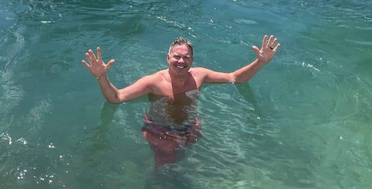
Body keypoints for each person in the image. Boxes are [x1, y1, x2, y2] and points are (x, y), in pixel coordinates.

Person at [82, 35, 281, 166]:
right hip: (160, 130)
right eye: (177, 57)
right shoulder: (154, 82)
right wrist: (101, 76)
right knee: (164, 171)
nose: (181, 61)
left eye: (186, 57)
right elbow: (116, 98)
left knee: (191, 164)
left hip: (190, 127)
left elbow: (235, 78)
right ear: (168, 58)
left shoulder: (200, 76)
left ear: (192, 60)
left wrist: (260, 62)